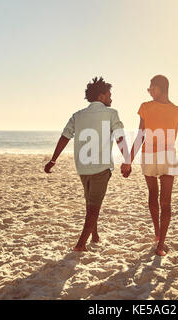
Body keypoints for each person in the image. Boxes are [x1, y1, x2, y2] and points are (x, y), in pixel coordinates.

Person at [45, 77, 130, 252]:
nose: (111, 98)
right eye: (109, 95)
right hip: (101, 167)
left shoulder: (78, 115)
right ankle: (80, 244)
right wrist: (127, 160)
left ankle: (95, 235)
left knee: (90, 202)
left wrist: (53, 160)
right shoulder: (111, 113)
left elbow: (65, 137)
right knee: (94, 206)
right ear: (101, 96)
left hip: (83, 167)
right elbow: (120, 136)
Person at [121, 75, 178, 256]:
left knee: (165, 202)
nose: (150, 91)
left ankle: (161, 244)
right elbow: (140, 136)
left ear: (161, 88)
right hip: (148, 155)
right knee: (153, 196)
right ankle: (157, 233)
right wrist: (128, 160)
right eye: (149, 89)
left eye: (152, 87)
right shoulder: (145, 107)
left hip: (168, 156)